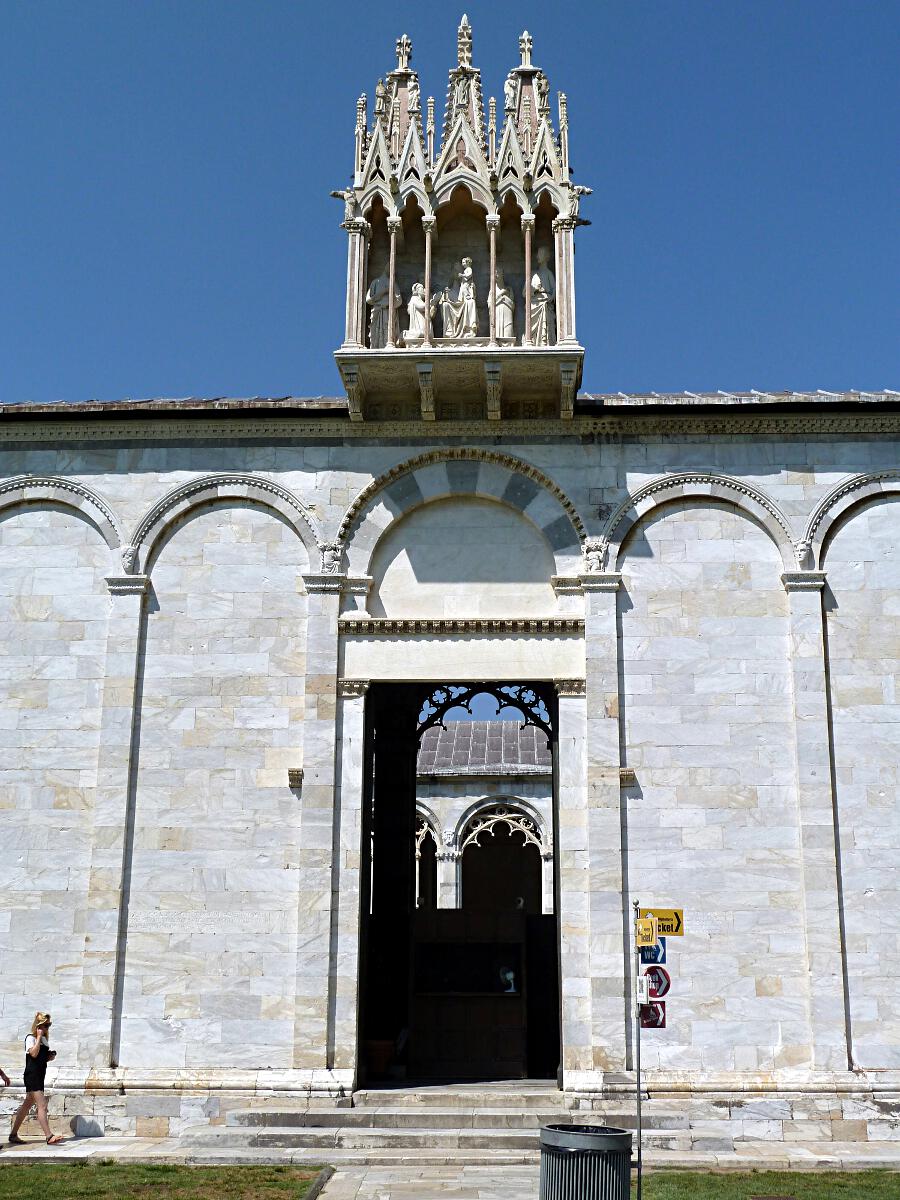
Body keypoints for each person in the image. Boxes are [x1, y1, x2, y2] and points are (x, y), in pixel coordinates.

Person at [8, 1012, 64, 1146]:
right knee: (42, 1105)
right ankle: (49, 1136)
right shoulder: (31, 1038)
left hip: (39, 1075)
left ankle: (13, 1134)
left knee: (27, 1104)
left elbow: (40, 1057)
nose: (47, 1028)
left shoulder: (44, 1040)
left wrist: (49, 1056)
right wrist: (38, 1037)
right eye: (45, 1025)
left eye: (48, 1025)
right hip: (32, 1075)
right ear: (38, 1026)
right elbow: (33, 1053)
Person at [492, 267, 515, 340]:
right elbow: (490, 305)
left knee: (508, 334)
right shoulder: (492, 290)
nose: (497, 276)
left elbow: (513, 305)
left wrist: (504, 299)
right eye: (495, 274)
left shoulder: (509, 289)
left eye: (498, 273)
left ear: (502, 275)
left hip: (507, 315)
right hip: (497, 314)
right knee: (497, 336)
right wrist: (501, 294)